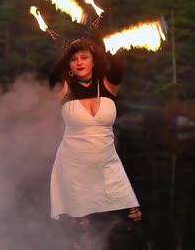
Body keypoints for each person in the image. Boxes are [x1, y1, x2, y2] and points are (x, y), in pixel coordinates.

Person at [48, 37, 142, 249]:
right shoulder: (64, 89)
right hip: (73, 169)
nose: (79, 62)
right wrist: (69, 50)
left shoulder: (108, 86)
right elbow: (53, 74)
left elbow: (118, 64)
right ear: (68, 65)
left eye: (84, 57)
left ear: (94, 61)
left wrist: (106, 40)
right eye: (73, 59)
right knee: (81, 234)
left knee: (126, 229)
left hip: (108, 168)